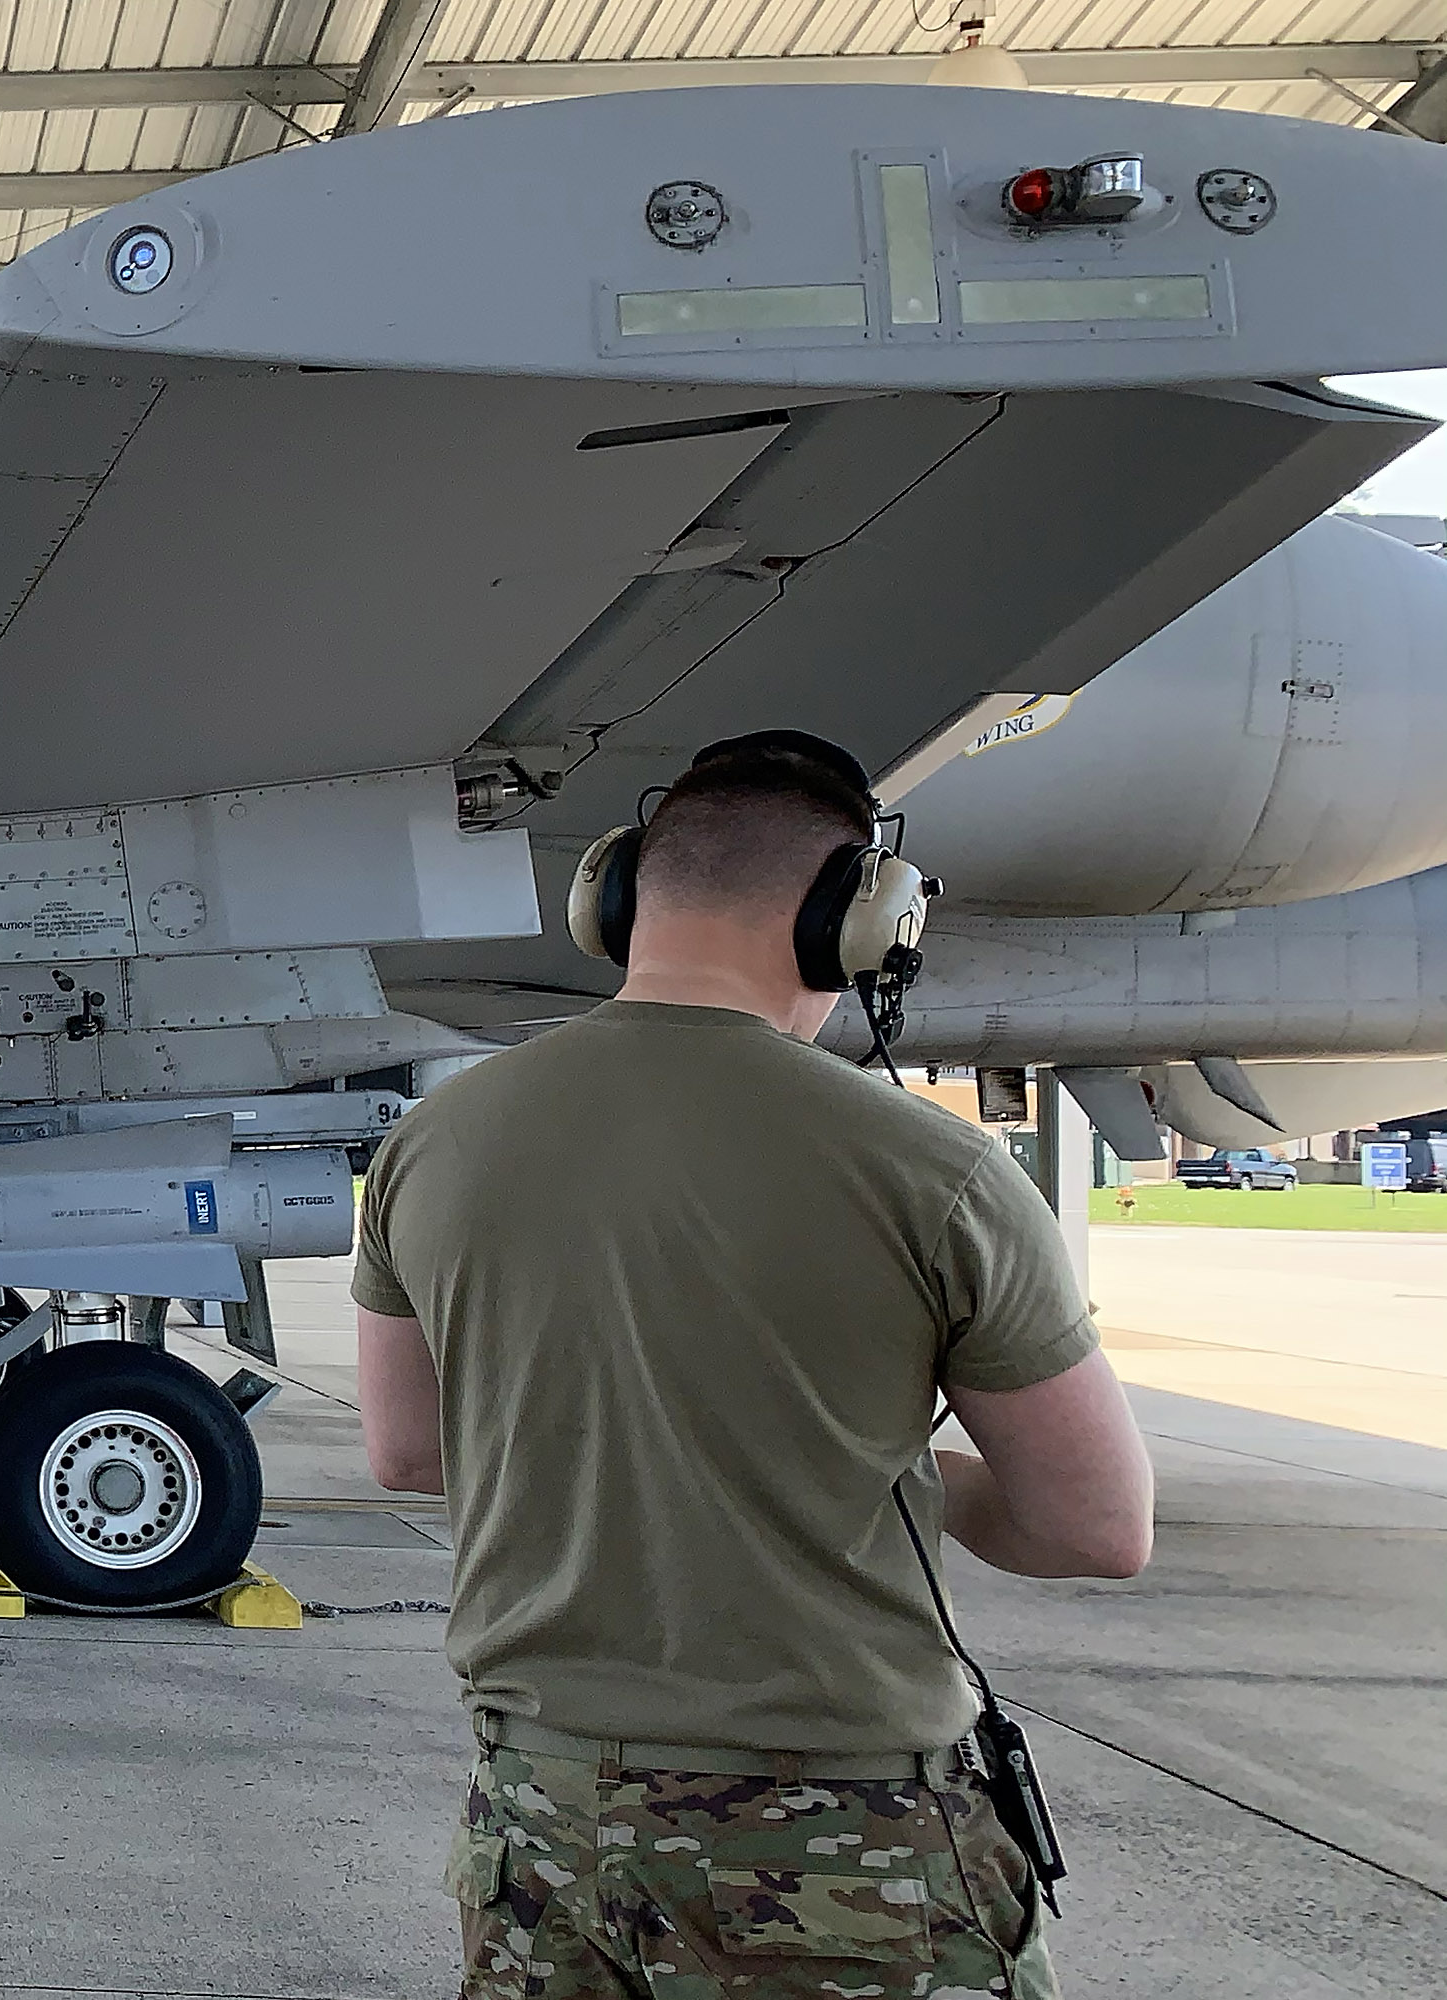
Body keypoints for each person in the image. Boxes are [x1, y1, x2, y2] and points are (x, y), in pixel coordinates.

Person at [351, 729, 1155, 2000]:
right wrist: (851, 1462)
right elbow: (1094, 1525)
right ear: (857, 921)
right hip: (840, 1851)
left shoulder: (430, 1143)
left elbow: (407, 1450)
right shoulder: (935, 1176)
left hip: (541, 1828)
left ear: (615, 906)